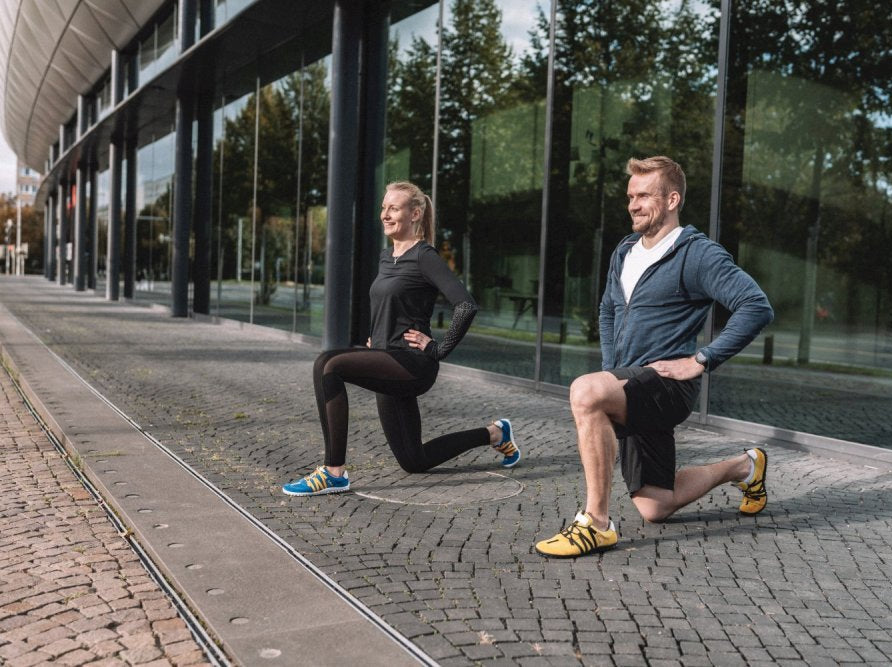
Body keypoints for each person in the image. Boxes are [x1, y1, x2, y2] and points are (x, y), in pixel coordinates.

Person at [535, 156, 774, 558]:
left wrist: (701, 360)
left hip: (666, 385)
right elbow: (608, 310)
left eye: (644, 195)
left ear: (671, 199)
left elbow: (755, 305)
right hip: (630, 382)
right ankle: (745, 467)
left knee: (586, 392)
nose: (633, 204)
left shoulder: (696, 254)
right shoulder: (625, 250)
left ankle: (595, 523)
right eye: (630, 196)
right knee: (655, 506)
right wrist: (612, 370)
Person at [282, 181, 521, 496]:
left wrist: (439, 348)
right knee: (414, 460)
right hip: (386, 362)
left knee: (327, 364)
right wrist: (375, 339)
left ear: (415, 214)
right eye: (384, 207)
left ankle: (333, 472)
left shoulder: (424, 256)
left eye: (393, 208)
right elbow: (393, 306)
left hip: (412, 364)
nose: (385, 214)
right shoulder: (386, 257)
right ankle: (495, 434)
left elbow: (466, 305)